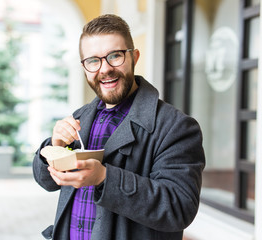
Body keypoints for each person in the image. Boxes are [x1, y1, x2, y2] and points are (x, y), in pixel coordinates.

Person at [33, 14, 205, 240]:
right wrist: (54, 149)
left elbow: (179, 208)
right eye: (93, 60)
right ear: (85, 67)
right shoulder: (79, 117)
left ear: (134, 57)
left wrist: (104, 178)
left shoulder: (176, 127)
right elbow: (46, 181)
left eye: (115, 56)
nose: (104, 69)